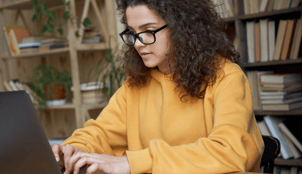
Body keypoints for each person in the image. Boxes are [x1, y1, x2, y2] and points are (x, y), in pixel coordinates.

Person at [52, 0, 264, 174]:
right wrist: (73, 149)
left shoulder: (227, 78)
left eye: (149, 31)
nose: (138, 43)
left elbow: (229, 153)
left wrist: (132, 163)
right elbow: (101, 133)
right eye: (133, 32)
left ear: (183, 28)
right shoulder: (135, 85)